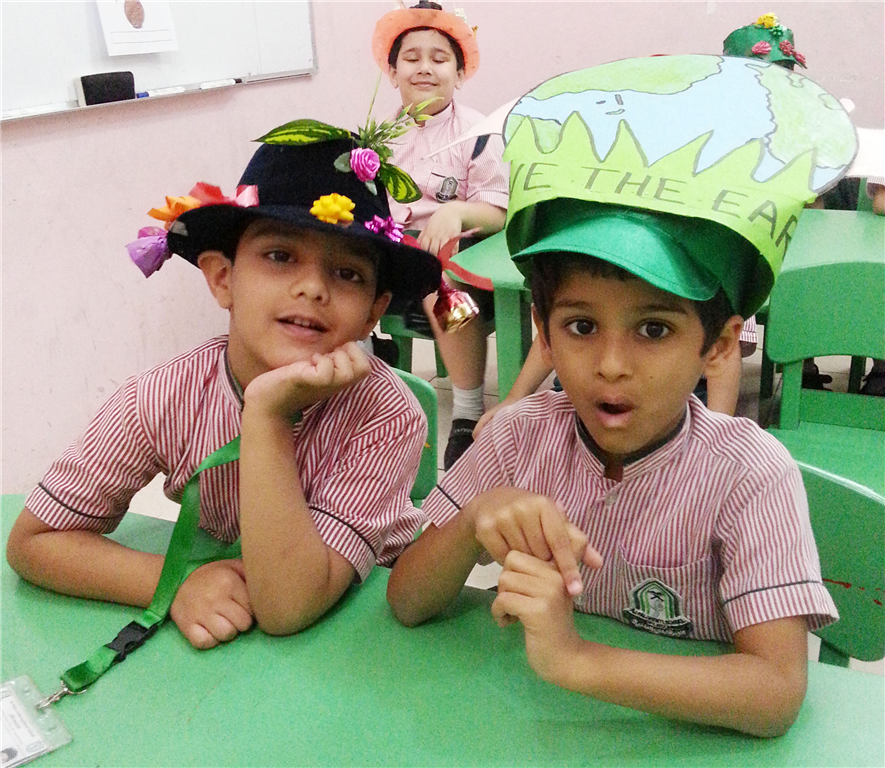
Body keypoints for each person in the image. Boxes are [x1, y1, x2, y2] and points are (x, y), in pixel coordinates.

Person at [387, 56, 850, 736]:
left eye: (654, 329)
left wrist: (577, 660)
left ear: (719, 345)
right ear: (543, 332)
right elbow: (406, 601)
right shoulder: (518, 436)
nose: (610, 365)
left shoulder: (749, 472)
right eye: (581, 326)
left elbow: (775, 691)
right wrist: (474, 517)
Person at [6, 129, 442, 650]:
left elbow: (288, 605)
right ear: (221, 279)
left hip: (359, 627)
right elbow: (35, 541)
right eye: (280, 256)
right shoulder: (162, 396)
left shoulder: (388, 414)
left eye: (347, 273)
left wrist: (267, 415)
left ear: (374, 311)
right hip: (233, 612)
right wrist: (176, 583)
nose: (313, 288)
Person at [373, 0, 509, 467]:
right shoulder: (379, 136)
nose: (425, 68)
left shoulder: (479, 132)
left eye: (439, 58)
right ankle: (359, 379)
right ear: (393, 72)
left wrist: (457, 213)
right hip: (391, 251)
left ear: (459, 73)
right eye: (411, 58)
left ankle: (467, 412)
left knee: (443, 283)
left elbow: (500, 211)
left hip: (456, 256)